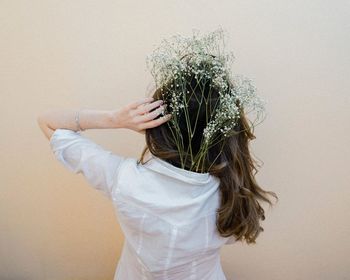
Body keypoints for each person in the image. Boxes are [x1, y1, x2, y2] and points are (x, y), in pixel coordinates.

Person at [37, 29, 278, 280]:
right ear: (225, 136)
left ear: (158, 126)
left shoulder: (124, 180)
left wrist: (115, 119)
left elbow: (48, 122)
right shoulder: (232, 192)